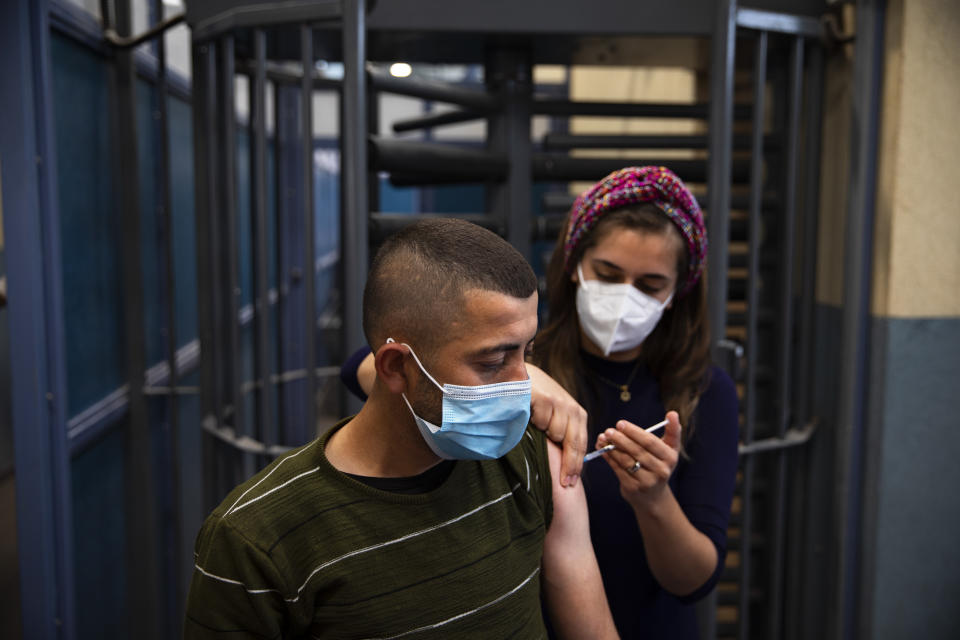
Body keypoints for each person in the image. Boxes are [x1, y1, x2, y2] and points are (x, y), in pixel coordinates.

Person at [342, 166, 739, 639]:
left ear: (677, 293)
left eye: (650, 286)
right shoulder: (519, 368)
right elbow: (367, 365)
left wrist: (654, 500)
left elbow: (693, 581)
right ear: (573, 265)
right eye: (608, 274)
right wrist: (525, 375)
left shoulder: (703, 392)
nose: (623, 298)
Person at [184, 218, 618, 639]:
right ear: (395, 367)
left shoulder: (528, 456)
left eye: (527, 352)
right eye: (492, 362)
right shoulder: (256, 538)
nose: (524, 385)